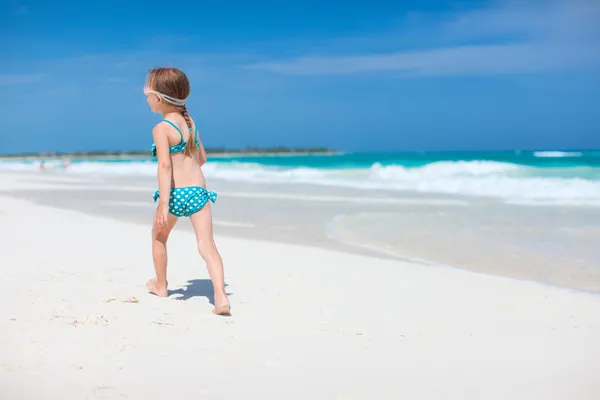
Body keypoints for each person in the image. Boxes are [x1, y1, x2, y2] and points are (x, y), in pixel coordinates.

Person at [144, 67, 230, 316]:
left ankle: (161, 286)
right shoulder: (191, 123)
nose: (146, 96)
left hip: (174, 195)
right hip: (198, 193)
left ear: (159, 98)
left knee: (159, 237)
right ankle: (221, 296)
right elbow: (202, 158)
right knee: (207, 245)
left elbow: (164, 166)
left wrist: (163, 204)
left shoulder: (161, 129)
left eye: (148, 92)